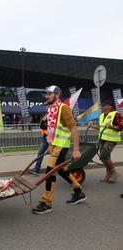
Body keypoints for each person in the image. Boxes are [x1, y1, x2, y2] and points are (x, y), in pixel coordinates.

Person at [32, 85, 86, 215]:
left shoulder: (63, 108)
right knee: (61, 170)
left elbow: (73, 127)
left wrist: (76, 149)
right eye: (46, 94)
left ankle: (46, 202)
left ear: (57, 95)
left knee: (50, 173)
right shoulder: (51, 110)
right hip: (55, 145)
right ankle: (78, 192)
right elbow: (52, 130)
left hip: (62, 145)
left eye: (49, 94)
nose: (47, 96)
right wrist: (50, 146)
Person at [88, 100, 122, 183]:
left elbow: (120, 127)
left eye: (104, 106)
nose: (102, 107)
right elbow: (101, 127)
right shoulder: (102, 115)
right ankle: (108, 174)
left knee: (104, 156)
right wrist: (92, 126)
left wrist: (111, 127)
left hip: (111, 140)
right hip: (102, 139)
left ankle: (114, 172)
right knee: (105, 158)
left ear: (109, 106)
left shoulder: (115, 114)